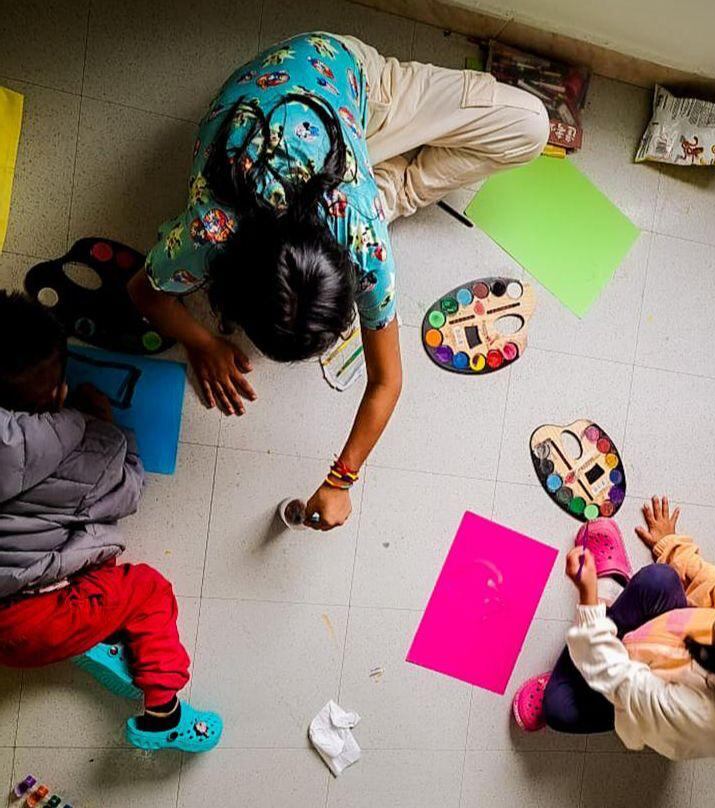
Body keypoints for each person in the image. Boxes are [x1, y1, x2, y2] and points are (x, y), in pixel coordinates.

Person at [127, 31, 549, 531]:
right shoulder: (212, 229)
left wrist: (341, 479)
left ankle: (392, 186)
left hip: (353, 92)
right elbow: (141, 291)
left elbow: (386, 381)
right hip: (317, 101)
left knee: (532, 125)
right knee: (415, 176)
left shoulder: (359, 232)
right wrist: (203, 343)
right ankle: (388, 182)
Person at [0, 291, 222, 753]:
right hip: (30, 625)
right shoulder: (83, 443)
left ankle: (99, 635)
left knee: (92, 565)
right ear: (57, 391)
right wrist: (111, 430)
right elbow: (126, 492)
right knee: (147, 588)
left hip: (21, 603)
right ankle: (164, 712)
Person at [513, 497, 715, 759]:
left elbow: (617, 675)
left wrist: (589, 595)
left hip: (644, 690)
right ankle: (598, 634)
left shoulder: (692, 714)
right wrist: (671, 544)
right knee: (660, 578)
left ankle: (592, 629)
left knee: (559, 708)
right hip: (661, 644)